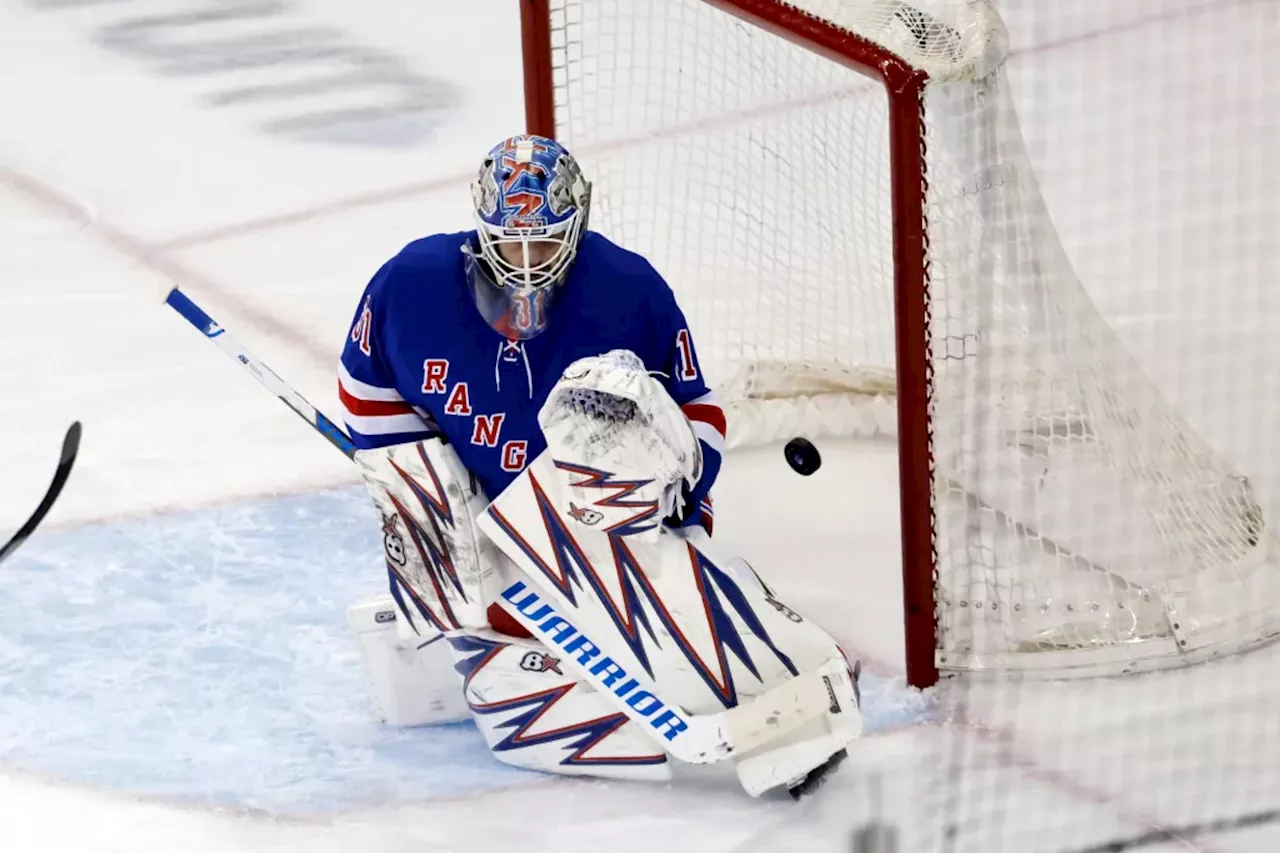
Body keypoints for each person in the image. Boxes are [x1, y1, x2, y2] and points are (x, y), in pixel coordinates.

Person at [337, 135, 857, 791]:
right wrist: (428, 489)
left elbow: (699, 410)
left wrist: (672, 497)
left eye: (546, 244)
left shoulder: (627, 288)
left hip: (613, 503)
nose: (526, 264)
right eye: (510, 243)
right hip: (496, 518)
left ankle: (783, 697)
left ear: (577, 223)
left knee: (604, 403)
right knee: (501, 686)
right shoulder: (409, 285)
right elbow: (368, 388)